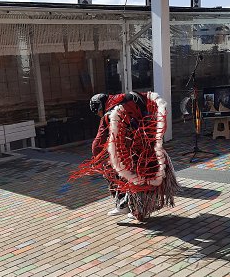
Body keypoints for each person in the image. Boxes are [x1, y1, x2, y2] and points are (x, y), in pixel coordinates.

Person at [71, 91, 179, 221]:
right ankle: (144, 206)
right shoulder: (131, 97)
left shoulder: (109, 115)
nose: (98, 115)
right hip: (149, 146)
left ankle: (126, 205)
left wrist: (97, 159)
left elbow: (98, 143)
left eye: (97, 112)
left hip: (133, 153)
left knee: (118, 174)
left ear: (100, 107)